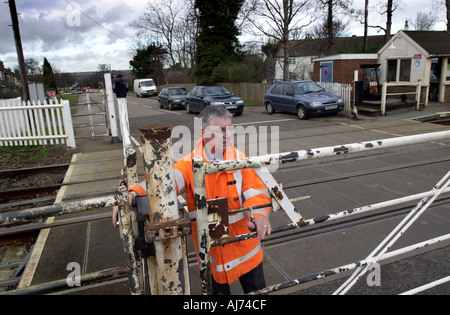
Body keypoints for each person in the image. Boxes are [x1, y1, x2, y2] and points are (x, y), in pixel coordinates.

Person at [113, 106, 271, 294]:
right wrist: (132, 193)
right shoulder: (189, 164)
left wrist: (260, 213)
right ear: (204, 133)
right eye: (221, 130)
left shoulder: (240, 159)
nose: (228, 134)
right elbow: (164, 183)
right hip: (214, 256)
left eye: (230, 128)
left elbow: (257, 191)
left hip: (247, 251)